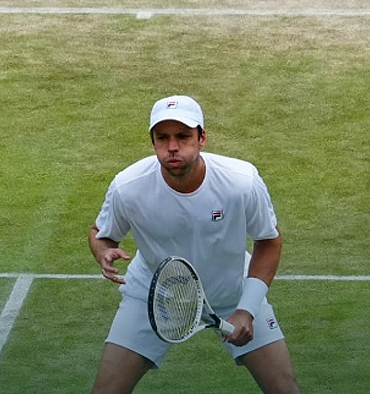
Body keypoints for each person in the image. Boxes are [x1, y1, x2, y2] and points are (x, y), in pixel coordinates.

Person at [87, 95, 300, 393]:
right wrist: (103, 251)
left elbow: (269, 240)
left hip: (233, 294)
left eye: (183, 136)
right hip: (153, 296)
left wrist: (247, 309)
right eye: (163, 138)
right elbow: (101, 231)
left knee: (285, 389)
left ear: (202, 138)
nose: (172, 147)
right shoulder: (128, 186)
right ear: (153, 143)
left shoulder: (241, 182)